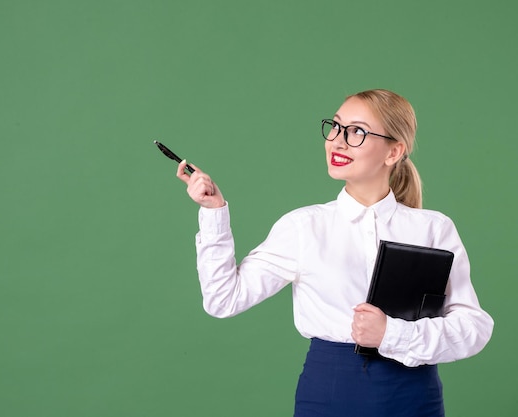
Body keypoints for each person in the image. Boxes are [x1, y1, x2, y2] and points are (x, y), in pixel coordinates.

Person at [175, 89, 493, 417]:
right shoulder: (304, 227)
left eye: (357, 132)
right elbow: (223, 300)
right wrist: (214, 213)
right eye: (336, 127)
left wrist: (392, 333)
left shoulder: (433, 229)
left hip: (414, 397)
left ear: (393, 151)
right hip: (331, 393)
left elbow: (474, 327)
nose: (337, 142)